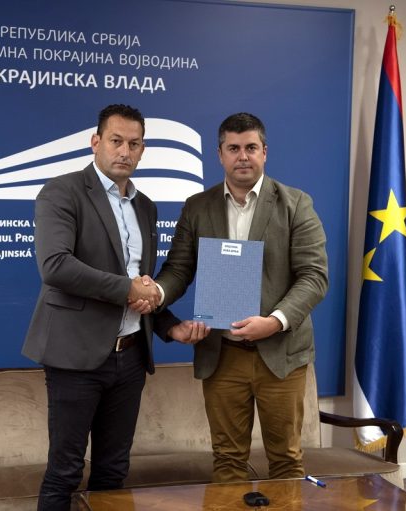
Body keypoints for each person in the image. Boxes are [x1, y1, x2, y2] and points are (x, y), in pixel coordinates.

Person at [22, 104, 209, 511]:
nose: (125, 151)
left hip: (130, 358)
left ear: (143, 150)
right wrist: (128, 288)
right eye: (116, 141)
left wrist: (169, 326)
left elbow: (141, 283)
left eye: (134, 144)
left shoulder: (146, 206)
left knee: (113, 471)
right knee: (65, 471)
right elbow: (56, 266)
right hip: (76, 356)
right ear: (96, 142)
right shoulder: (62, 191)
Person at [154, 112, 328, 482]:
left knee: (286, 462)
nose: (242, 156)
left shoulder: (296, 204)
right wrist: (156, 292)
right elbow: (179, 270)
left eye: (251, 147)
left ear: (265, 152)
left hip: (280, 353)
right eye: (233, 148)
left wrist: (275, 321)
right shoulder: (197, 206)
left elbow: (314, 276)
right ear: (220, 154)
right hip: (222, 354)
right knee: (228, 463)